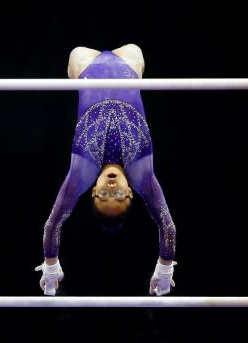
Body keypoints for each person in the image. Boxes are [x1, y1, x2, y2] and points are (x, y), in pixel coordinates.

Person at [35, 43, 177, 296]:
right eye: (119, 196)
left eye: (104, 196)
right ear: (131, 194)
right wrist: (165, 268)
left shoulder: (82, 173)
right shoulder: (142, 175)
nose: (111, 189)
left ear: (93, 192)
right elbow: (167, 227)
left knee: (75, 55)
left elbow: (52, 224)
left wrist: (51, 264)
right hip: (129, 65)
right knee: (135, 51)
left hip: (86, 66)